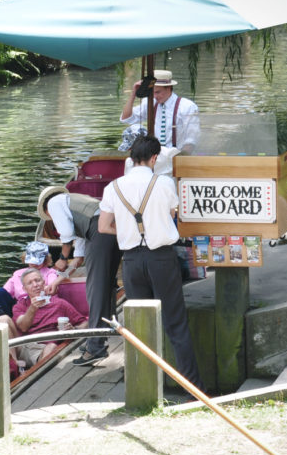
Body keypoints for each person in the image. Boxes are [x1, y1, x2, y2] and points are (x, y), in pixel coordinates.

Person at [98, 135, 206, 392]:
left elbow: (103, 227)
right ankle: (193, 389)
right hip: (161, 258)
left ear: (131, 157)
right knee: (175, 324)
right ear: (155, 158)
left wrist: (127, 232)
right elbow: (171, 216)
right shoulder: (164, 183)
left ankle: (142, 389)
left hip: (132, 260)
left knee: (139, 324)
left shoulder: (113, 187)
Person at [37, 185, 122, 366]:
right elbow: (80, 257)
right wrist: (62, 275)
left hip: (100, 232)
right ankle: (101, 335)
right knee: (106, 285)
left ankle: (96, 347)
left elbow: (66, 234)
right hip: (111, 229)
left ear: (46, 209)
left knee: (96, 289)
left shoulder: (54, 202)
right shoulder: (76, 205)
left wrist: (62, 257)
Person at [120, 69, 199, 177]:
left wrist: (180, 163)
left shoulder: (187, 106)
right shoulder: (149, 102)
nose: (155, 96)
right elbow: (126, 117)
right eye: (152, 93)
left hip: (175, 157)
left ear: (169, 88)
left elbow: (191, 140)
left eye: (158, 92)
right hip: (153, 158)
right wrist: (134, 93)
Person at [11, 268, 87, 368]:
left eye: (37, 280)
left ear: (43, 283)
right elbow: (23, 327)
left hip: (49, 346)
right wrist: (33, 308)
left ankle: (36, 375)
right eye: (30, 283)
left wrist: (74, 330)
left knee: (51, 347)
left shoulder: (59, 304)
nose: (35, 285)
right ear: (24, 289)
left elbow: (85, 323)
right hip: (27, 345)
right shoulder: (20, 306)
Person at [0, 241, 76, 316]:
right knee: (0, 292)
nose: (34, 264)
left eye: (38, 261)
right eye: (32, 260)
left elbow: (52, 287)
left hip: (42, 304)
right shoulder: (18, 274)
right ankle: (6, 322)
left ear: (45, 259)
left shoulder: (50, 273)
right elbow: (4, 293)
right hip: (20, 307)